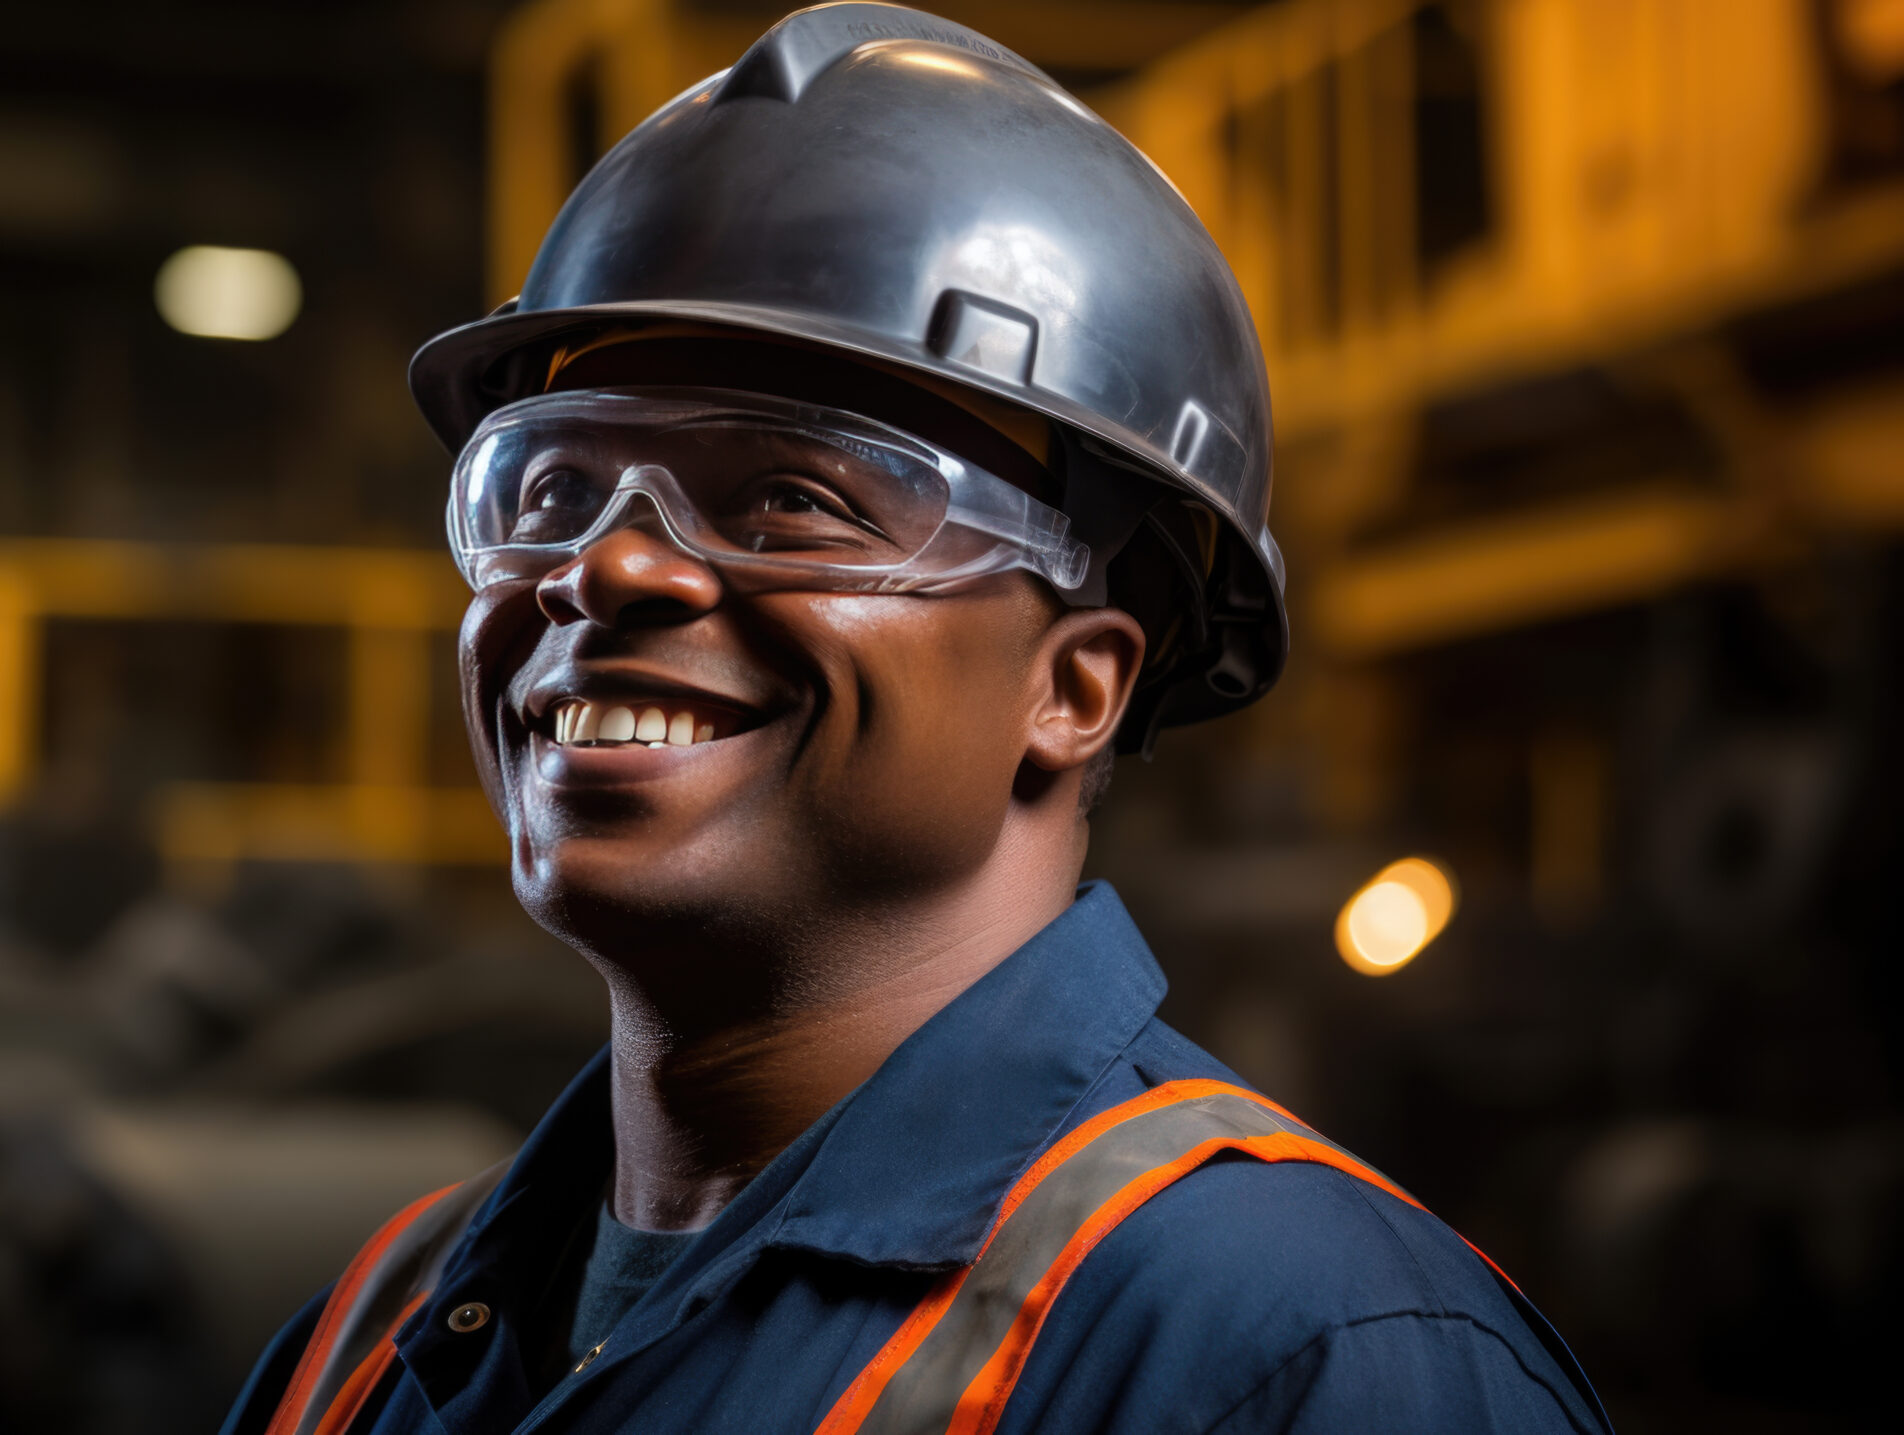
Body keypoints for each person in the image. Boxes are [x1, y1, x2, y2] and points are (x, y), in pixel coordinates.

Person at [223, 5, 1608, 1432]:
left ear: (1075, 688)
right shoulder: (372, 1337)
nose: (606, 563)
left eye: (794, 500)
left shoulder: (1299, 1353)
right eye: (554, 491)